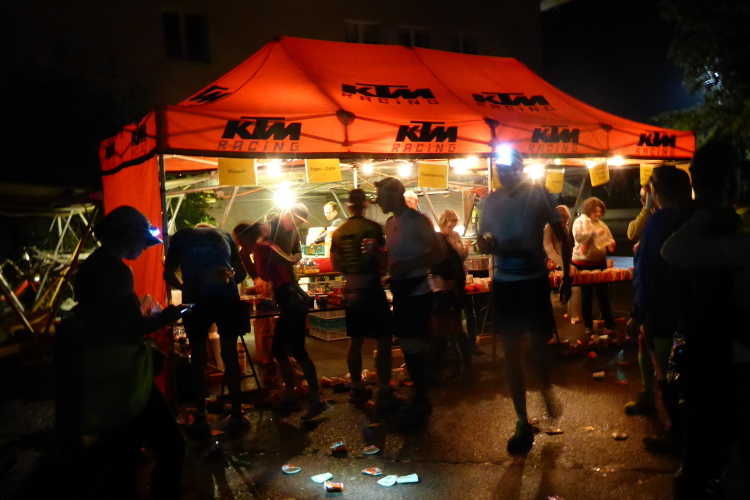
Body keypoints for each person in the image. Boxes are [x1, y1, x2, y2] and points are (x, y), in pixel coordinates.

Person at [72, 205, 185, 499]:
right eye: (142, 241)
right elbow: (131, 327)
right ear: (130, 233)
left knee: (123, 456)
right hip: (124, 373)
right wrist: (168, 316)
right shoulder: (116, 271)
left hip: (102, 368)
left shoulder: (93, 265)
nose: (144, 248)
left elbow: (107, 320)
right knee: (171, 445)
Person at [659, 142, 743, 499]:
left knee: (706, 437)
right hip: (713, 348)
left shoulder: (692, 219)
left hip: (700, 342)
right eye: (737, 176)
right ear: (728, 181)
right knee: (710, 439)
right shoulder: (711, 224)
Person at [478, 147, 572, 454]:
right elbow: (482, 239)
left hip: (533, 280)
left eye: (511, 169)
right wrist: (485, 243)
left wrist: (567, 276)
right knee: (511, 353)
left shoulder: (538, 194)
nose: (506, 174)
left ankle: (545, 386)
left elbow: (563, 236)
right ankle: (521, 419)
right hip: (505, 282)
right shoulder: (490, 201)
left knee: (537, 347)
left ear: (520, 169)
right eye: (501, 169)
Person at [626, 166, 691, 456]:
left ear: (656, 192)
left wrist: (639, 313)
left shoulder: (659, 221)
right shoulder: (692, 216)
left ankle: (676, 432)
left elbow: (648, 273)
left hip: (661, 309)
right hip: (686, 309)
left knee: (666, 375)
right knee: (681, 371)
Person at [163, 223, 251, 437]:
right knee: (230, 355)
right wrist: (227, 280)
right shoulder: (224, 235)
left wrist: (186, 286)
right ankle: (237, 414)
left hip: (195, 300)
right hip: (226, 299)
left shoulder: (181, 237)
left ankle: (201, 415)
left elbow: (168, 274)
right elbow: (241, 272)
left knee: (198, 357)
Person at [245, 206, 330, 420]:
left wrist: (276, 267)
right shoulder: (265, 246)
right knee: (285, 350)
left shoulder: (265, 247)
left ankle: (311, 399)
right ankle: (296, 396)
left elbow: (287, 263)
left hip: (292, 300)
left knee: (292, 350)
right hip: (291, 299)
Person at [375, 176, 444, 426]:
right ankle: (419, 398)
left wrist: (408, 266)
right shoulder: (390, 223)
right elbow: (395, 258)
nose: (378, 201)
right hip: (402, 290)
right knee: (407, 346)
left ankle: (422, 400)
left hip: (417, 291)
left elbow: (438, 253)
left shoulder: (418, 220)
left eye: (381, 196)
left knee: (414, 346)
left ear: (395, 195)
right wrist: (380, 255)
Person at [329, 189, 401, 408]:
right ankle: (384, 389)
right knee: (384, 338)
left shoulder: (339, 231)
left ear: (348, 206)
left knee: (355, 340)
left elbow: (335, 264)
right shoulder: (372, 227)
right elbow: (383, 259)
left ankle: (357, 387)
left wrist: (350, 273)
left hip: (351, 288)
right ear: (366, 204)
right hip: (370, 287)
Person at [430, 209, 473, 381]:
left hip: (448, 289)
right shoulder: (438, 240)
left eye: (454, 224)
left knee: (451, 327)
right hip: (444, 289)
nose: (452, 228)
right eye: (450, 224)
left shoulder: (448, 239)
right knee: (445, 328)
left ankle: (459, 363)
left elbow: (455, 261)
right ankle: (454, 362)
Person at [571, 197, 615, 336]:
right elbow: (579, 237)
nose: (598, 214)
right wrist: (593, 233)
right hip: (583, 263)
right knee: (587, 295)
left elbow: (609, 237)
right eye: (595, 211)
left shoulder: (601, 223)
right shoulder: (579, 221)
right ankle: (588, 325)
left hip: (599, 262)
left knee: (603, 294)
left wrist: (611, 242)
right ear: (589, 210)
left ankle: (609, 323)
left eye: (600, 211)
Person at [544, 205, 581, 324]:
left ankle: (571, 313)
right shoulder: (549, 227)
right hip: (546, 263)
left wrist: (567, 264)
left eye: (565, 221)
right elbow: (549, 249)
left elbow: (565, 249)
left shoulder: (564, 227)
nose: (564, 223)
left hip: (557, 263)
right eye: (561, 220)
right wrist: (564, 265)